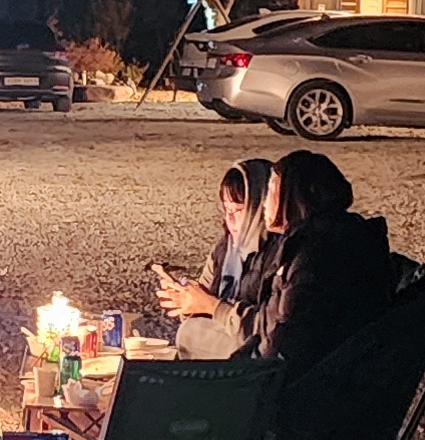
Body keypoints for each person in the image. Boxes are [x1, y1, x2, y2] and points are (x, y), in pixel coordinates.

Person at [244, 149, 393, 369]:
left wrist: (243, 369)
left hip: (303, 380)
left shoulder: (316, 254)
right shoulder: (330, 237)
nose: (264, 203)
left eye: (271, 190)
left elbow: (289, 338)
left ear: (293, 195)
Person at [159, 157, 281, 355]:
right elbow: (203, 302)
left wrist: (212, 306)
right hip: (222, 340)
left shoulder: (278, 253)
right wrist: (188, 301)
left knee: (189, 334)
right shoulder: (225, 250)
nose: (230, 219)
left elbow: (267, 328)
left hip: (256, 354)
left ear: (260, 206)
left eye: (239, 210)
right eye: (226, 209)